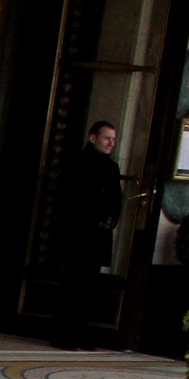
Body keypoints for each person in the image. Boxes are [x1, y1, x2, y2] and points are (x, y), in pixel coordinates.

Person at [51, 119, 126, 348]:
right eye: (106, 138)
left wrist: (111, 219)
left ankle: (81, 331)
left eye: (113, 139)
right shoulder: (76, 163)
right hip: (77, 233)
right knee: (72, 283)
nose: (111, 143)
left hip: (98, 235)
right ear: (92, 137)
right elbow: (68, 198)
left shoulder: (112, 167)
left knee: (90, 285)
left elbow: (116, 198)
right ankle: (63, 333)